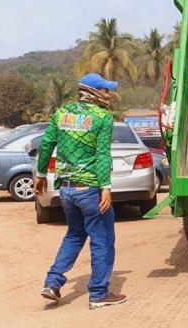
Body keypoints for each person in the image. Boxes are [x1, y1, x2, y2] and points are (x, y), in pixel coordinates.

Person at [34, 72, 126, 310]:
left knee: (74, 235)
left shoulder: (61, 113)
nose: (108, 94)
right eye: (105, 90)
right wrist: (105, 187)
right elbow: (102, 154)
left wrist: (41, 174)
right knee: (102, 240)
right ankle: (98, 294)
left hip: (66, 191)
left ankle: (52, 282)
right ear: (94, 92)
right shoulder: (102, 117)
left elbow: (46, 144)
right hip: (90, 190)